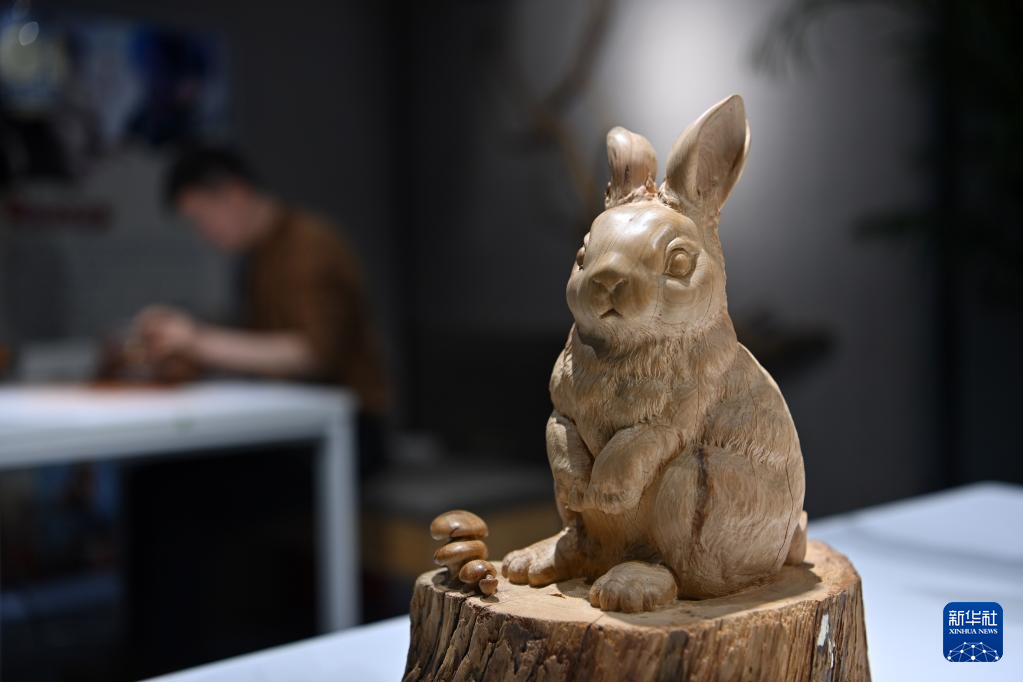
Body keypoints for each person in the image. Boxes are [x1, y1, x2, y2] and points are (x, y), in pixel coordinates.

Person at [136, 145, 389, 476]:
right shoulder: (258, 255)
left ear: (234, 194)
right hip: (298, 417)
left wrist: (197, 341)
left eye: (201, 218)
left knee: (170, 481)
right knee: (165, 470)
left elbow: (314, 353)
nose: (204, 233)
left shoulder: (308, 244)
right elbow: (259, 342)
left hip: (349, 427)